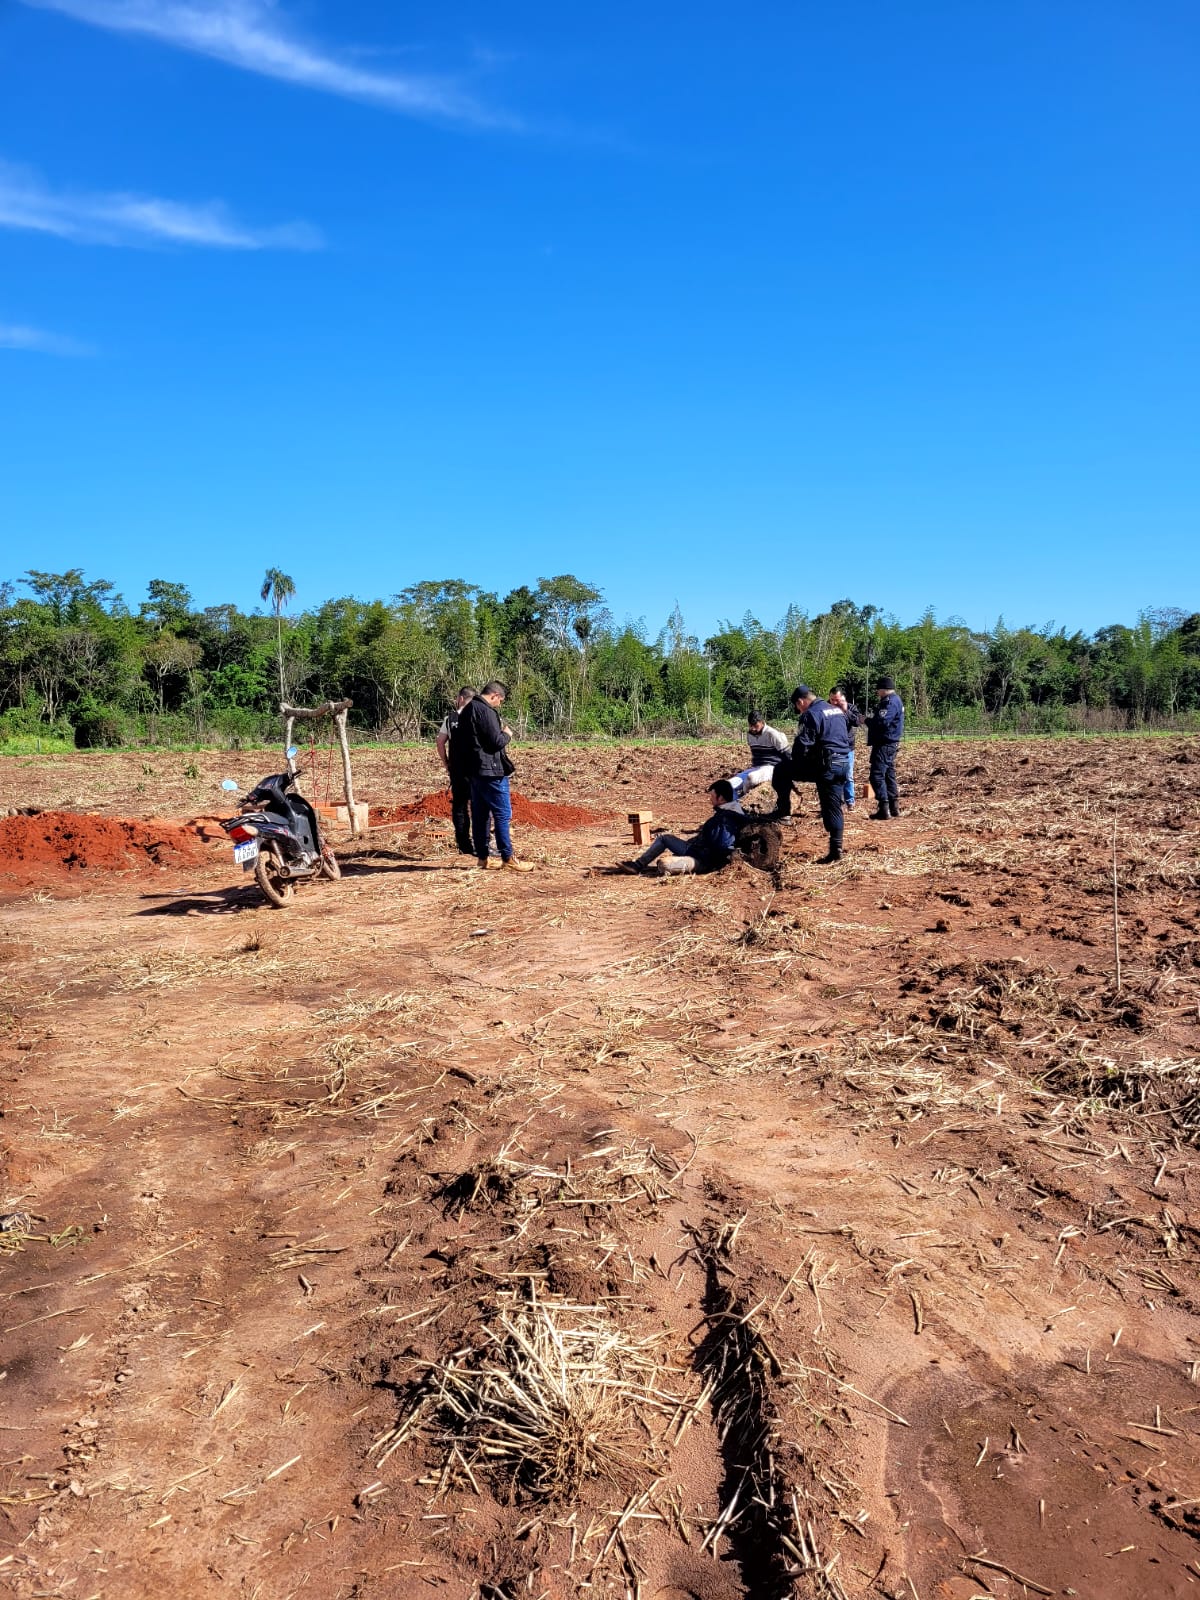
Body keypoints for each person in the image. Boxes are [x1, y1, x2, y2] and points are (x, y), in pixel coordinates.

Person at [455, 681, 534, 872]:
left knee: (481, 816)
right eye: (501, 700)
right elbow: (494, 742)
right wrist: (506, 734)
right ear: (495, 696)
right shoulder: (485, 711)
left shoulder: (466, 710)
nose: (499, 704)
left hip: (474, 772)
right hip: (491, 771)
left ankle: (483, 858)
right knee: (502, 814)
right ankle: (508, 857)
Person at [622, 780, 744, 876]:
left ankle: (640, 865)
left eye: (712, 796)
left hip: (702, 859)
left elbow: (722, 846)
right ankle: (642, 865)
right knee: (666, 844)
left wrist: (701, 849)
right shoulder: (730, 813)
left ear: (721, 798)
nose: (710, 800)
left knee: (664, 851)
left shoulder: (725, 818)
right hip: (699, 853)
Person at [791, 685, 852, 863]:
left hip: (827, 764)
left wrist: (797, 763)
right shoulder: (836, 711)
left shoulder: (811, 714)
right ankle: (836, 849)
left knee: (782, 769)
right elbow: (846, 738)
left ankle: (783, 811)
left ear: (801, 701)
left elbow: (803, 744)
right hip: (843, 761)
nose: (799, 710)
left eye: (798, 706)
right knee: (834, 802)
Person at [435, 686, 476, 856]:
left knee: (459, 806)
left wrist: (447, 763)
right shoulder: (478, 716)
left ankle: (464, 845)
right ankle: (482, 843)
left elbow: (440, 742)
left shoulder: (450, 719)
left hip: (458, 770)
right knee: (479, 806)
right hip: (477, 769)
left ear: (460, 698)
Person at [866, 677, 905, 820]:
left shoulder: (889, 702)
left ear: (883, 689)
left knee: (876, 775)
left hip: (885, 743)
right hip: (890, 743)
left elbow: (881, 722)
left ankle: (884, 807)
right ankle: (894, 807)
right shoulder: (896, 700)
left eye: (878, 689)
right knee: (889, 774)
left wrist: (866, 720)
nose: (877, 692)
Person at [731, 712, 790, 800]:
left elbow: (788, 754)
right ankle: (735, 809)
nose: (753, 728)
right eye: (751, 725)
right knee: (727, 786)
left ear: (762, 722)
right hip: (757, 768)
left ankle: (743, 802)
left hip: (773, 768)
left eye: (756, 725)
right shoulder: (749, 735)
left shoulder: (773, 734)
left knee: (751, 778)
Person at [828, 688, 864, 810]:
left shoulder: (851, 708)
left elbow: (857, 722)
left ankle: (850, 801)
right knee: (836, 775)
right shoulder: (827, 708)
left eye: (836, 700)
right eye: (832, 700)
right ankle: (839, 801)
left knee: (847, 775)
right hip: (833, 747)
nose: (834, 702)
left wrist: (845, 710)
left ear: (842, 698)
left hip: (847, 746)